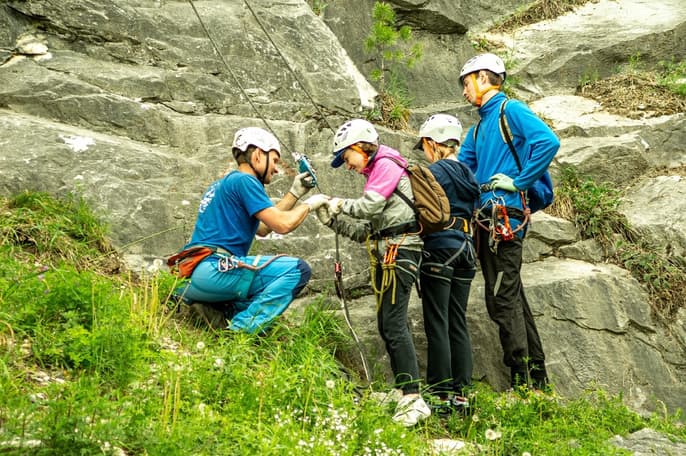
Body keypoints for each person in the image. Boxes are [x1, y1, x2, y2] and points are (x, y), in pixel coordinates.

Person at [314, 119, 431, 426]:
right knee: (386, 324)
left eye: (346, 158)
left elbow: (368, 207)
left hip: (400, 251)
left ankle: (413, 399)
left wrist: (338, 203)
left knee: (393, 325)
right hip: (387, 250)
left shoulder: (387, 164)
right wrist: (331, 220)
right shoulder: (375, 171)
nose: (346, 166)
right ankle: (404, 390)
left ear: (358, 147)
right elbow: (363, 232)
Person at [457, 53, 559, 390]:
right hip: (488, 219)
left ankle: (522, 381)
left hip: (504, 218)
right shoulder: (478, 128)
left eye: (466, 83)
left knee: (501, 298)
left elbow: (548, 141)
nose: (464, 92)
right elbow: (461, 172)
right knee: (511, 296)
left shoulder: (509, 110)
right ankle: (537, 379)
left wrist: (519, 182)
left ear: (483, 78)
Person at [173, 127, 329, 334]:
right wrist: (311, 204)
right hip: (214, 270)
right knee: (297, 270)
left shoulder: (224, 184)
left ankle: (217, 311)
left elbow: (264, 228)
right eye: (274, 160)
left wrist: (294, 193)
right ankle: (238, 332)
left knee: (255, 299)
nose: (276, 169)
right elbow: (282, 225)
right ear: (257, 155)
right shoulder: (245, 181)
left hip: (194, 274)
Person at [414, 114, 480, 412]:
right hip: (467, 250)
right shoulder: (468, 173)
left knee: (437, 320)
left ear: (432, 143)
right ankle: (462, 393)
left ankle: (440, 394)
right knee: (457, 320)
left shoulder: (434, 172)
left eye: (425, 146)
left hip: (440, 248)